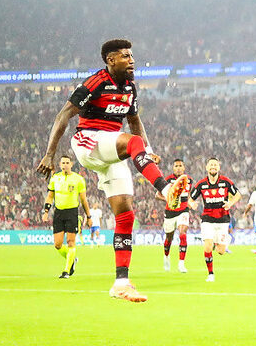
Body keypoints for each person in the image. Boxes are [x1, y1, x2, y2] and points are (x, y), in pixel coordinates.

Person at [36, 39, 187, 302]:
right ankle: (165, 188)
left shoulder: (129, 87)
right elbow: (63, 115)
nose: (132, 60)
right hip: (88, 141)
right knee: (131, 142)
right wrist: (50, 154)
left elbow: (134, 119)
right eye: (126, 56)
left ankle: (121, 283)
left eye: (132, 56)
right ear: (110, 60)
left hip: (110, 149)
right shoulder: (96, 82)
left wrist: (148, 150)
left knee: (125, 214)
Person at [188, 157, 241, 282]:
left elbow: (238, 194)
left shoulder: (226, 182)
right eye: (211, 165)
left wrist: (230, 203)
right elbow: (190, 198)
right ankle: (210, 274)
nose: (213, 167)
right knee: (207, 247)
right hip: (207, 219)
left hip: (223, 219)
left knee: (221, 251)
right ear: (206, 168)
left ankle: (223, 240)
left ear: (219, 167)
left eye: (215, 165)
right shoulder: (201, 184)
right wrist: (192, 204)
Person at [42, 155, 92, 279]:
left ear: (71, 164)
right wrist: (46, 212)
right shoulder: (55, 178)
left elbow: (83, 200)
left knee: (71, 242)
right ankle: (72, 259)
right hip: (59, 213)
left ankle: (66, 270)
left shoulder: (78, 179)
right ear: (60, 165)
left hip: (72, 212)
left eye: (67, 162)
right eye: (63, 162)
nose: (65, 165)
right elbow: (50, 196)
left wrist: (89, 216)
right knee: (57, 244)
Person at [157, 159, 193, 273]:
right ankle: (166, 256)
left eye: (180, 165)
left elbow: (188, 196)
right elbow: (157, 195)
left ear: (184, 168)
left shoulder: (189, 180)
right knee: (169, 238)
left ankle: (181, 263)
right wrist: (169, 199)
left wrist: (191, 202)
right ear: (173, 168)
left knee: (183, 233)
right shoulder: (167, 180)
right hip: (170, 212)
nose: (178, 167)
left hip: (183, 211)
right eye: (176, 165)